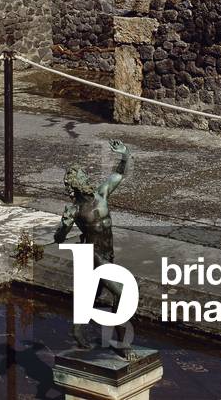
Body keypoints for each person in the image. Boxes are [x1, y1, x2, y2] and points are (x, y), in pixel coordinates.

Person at [54, 139, 134, 357]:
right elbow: (59, 238)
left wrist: (125, 154)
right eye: (80, 177)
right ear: (74, 185)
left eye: (84, 175)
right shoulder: (76, 209)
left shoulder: (102, 194)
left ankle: (77, 329)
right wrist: (64, 222)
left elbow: (119, 175)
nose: (85, 179)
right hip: (95, 256)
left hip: (109, 252)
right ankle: (123, 343)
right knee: (123, 292)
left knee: (92, 294)